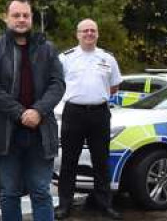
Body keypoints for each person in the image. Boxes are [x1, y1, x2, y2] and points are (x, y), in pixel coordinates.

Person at [0, 0, 64, 221]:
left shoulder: (47, 48)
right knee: (9, 193)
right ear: (6, 18)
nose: (21, 20)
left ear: (31, 19)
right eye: (16, 15)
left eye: (26, 15)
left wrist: (37, 111)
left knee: (41, 192)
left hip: (41, 131)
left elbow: (58, 85)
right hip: (6, 134)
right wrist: (20, 112)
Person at [56, 19, 123, 220]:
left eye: (92, 30)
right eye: (85, 31)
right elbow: (56, 84)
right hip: (73, 113)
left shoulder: (107, 58)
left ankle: (104, 204)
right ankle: (64, 205)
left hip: (99, 113)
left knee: (101, 161)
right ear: (77, 34)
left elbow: (114, 87)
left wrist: (95, 96)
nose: (89, 34)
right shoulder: (65, 58)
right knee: (68, 161)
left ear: (97, 34)